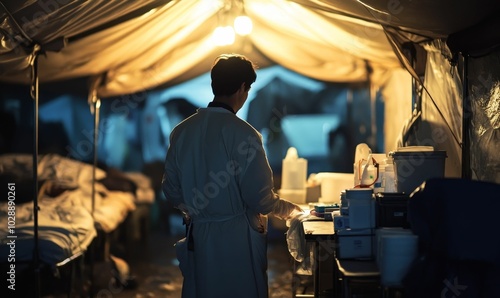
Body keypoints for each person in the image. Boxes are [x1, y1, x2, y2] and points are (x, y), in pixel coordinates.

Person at [162, 53, 303, 298]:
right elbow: (260, 199)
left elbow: (171, 190)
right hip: (236, 240)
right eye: (247, 89)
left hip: (199, 236)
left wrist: (196, 210)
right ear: (241, 88)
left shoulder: (181, 132)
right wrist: (292, 210)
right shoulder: (246, 135)